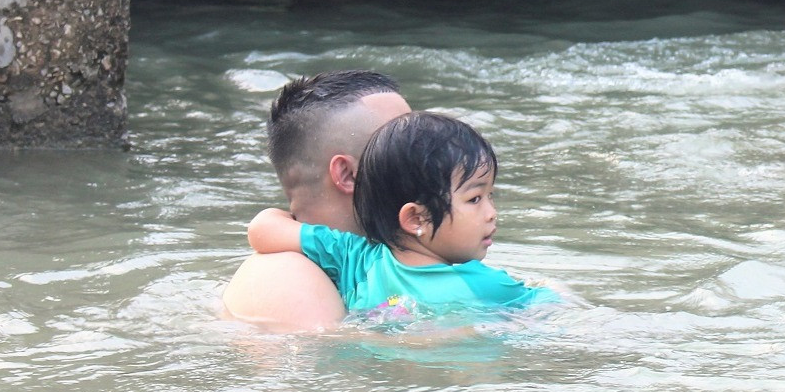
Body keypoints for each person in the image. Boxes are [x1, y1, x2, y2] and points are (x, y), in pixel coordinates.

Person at [247, 111, 555, 320]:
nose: (491, 213)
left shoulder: (352, 259)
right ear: (416, 219)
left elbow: (261, 229)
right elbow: (556, 311)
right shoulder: (487, 285)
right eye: (475, 199)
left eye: (490, 196)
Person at [220, 69, 411, 330]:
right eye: (406, 143)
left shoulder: (389, 258)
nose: (425, 153)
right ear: (347, 174)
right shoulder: (286, 277)